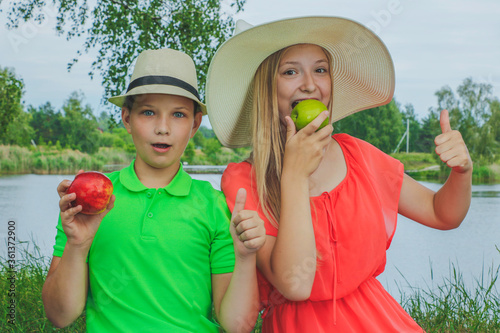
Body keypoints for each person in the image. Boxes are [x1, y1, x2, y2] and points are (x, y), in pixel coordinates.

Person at [205, 17, 473, 332]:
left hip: (378, 320)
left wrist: (461, 172)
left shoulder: (359, 157)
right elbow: (295, 284)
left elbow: (443, 214)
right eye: (290, 71)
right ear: (266, 87)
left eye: (320, 70)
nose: (309, 84)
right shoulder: (246, 180)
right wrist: (294, 175)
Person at [42, 48, 265, 333]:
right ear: (126, 118)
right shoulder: (89, 206)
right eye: (148, 112)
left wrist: (246, 258)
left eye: (178, 115)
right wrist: (77, 246)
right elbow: (60, 316)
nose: (162, 128)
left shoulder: (214, 206)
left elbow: (239, 326)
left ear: (195, 124)